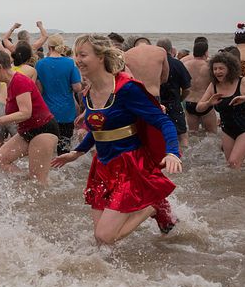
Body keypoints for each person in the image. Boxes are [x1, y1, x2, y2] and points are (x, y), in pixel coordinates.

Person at [51, 34, 182, 244]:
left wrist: (172, 152)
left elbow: (162, 121)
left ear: (101, 57)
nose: (78, 60)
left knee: (104, 236)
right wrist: (77, 152)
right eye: (76, 55)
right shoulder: (88, 94)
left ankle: (152, 207)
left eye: (83, 55)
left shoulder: (126, 88)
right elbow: (99, 128)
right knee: (101, 243)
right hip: (102, 166)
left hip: (128, 165)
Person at [0, 50, 59, 186]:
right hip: (27, 130)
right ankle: (24, 185)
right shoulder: (9, 82)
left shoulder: (19, 81)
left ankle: (44, 197)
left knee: (39, 182)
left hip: (43, 129)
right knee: (0, 160)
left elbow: (25, 112)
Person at [196, 52, 245, 169]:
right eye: (215, 69)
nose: (217, 71)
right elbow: (199, 108)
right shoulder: (213, 86)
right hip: (228, 130)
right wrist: (209, 102)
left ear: (230, 69)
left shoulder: (242, 82)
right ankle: (243, 183)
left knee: (233, 162)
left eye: (221, 68)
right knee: (231, 166)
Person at [35, 34, 82, 155]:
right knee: (64, 149)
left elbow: (39, 90)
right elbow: (77, 88)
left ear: (49, 47)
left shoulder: (40, 64)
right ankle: (63, 172)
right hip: (66, 112)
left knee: (46, 150)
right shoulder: (70, 63)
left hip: (47, 113)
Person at [157, 38, 191, 148]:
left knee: (160, 134)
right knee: (182, 135)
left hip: (157, 103)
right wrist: (180, 99)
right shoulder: (177, 64)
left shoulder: (154, 64)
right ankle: (184, 158)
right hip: (174, 103)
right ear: (171, 49)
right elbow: (187, 88)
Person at [183, 41, 217, 133]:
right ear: (206, 52)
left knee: (193, 134)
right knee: (212, 134)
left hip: (189, 103)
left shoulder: (185, 65)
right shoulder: (209, 66)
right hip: (205, 103)